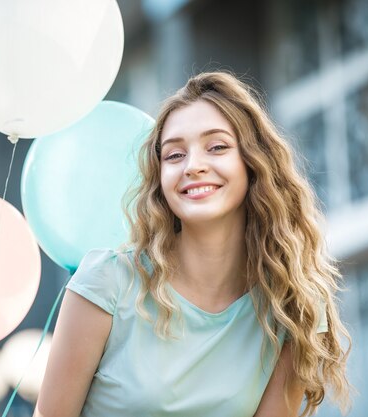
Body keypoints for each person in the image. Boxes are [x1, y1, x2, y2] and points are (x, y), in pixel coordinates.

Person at [34, 72, 352, 417]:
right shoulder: (106, 283)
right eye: (174, 155)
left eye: (216, 147)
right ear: (159, 176)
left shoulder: (292, 305)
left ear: (253, 162)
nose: (193, 166)